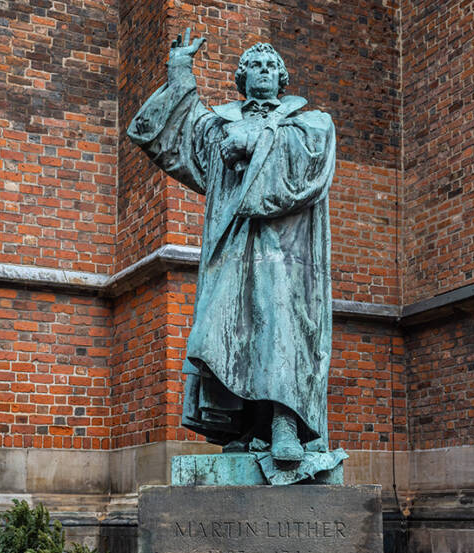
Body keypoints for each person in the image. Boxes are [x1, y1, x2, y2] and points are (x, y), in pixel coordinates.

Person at [128, 31, 336, 465]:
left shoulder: (310, 122)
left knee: (281, 326)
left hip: (286, 254)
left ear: (282, 79)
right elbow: (172, 135)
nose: (262, 70)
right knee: (225, 331)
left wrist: (253, 140)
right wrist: (180, 70)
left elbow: (310, 163)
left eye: (269, 65)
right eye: (253, 66)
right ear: (241, 79)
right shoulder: (218, 123)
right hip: (232, 248)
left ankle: (285, 424)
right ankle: (241, 428)